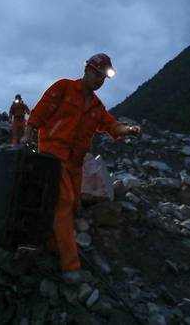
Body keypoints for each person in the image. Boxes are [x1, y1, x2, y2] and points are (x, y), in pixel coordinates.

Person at [21, 53, 141, 283]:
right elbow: (42, 110)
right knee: (64, 203)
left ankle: (53, 245)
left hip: (75, 163)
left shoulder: (96, 106)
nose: (98, 80)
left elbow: (111, 125)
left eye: (103, 78)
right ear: (86, 70)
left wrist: (128, 130)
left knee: (73, 205)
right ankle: (71, 267)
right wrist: (28, 132)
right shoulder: (64, 88)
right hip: (53, 157)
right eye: (96, 74)